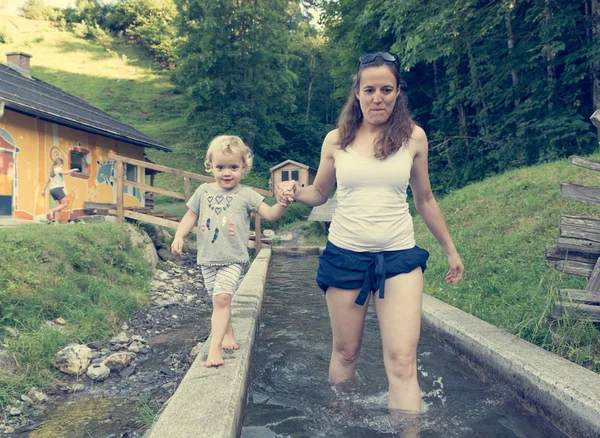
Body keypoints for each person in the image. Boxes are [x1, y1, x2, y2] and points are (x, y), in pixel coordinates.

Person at [276, 52, 464, 416]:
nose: (378, 97)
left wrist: (451, 251)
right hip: (345, 257)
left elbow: (424, 200)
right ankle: (340, 422)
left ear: (397, 93)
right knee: (345, 352)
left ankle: (408, 431)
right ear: (358, 93)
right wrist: (294, 192)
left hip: (398, 259)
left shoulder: (414, 138)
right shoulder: (336, 140)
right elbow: (319, 193)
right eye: (370, 89)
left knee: (403, 361)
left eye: (386, 89)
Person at [171, 135, 288, 368]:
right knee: (220, 302)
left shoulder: (247, 195)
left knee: (222, 297)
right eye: (220, 167)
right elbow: (190, 216)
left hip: (233, 258)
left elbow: (271, 214)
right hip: (207, 258)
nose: (227, 172)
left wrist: (283, 203)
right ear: (211, 167)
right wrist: (178, 235)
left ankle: (214, 347)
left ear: (243, 167)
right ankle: (228, 332)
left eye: (233, 167)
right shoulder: (203, 192)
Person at [41, 157, 78, 225]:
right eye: (62, 165)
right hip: (58, 189)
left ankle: (56, 223)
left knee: (58, 206)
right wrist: (73, 169)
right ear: (60, 164)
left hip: (52, 190)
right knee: (65, 203)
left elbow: (46, 182)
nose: (62, 166)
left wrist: (43, 190)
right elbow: (65, 173)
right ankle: (52, 210)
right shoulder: (58, 169)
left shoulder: (51, 172)